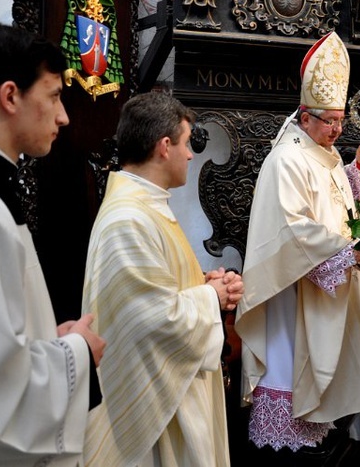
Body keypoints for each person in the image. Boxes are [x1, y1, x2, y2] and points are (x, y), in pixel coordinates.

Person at [236, 31, 360, 461]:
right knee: (291, 363)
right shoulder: (286, 158)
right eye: (329, 122)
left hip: (322, 285)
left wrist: (355, 171)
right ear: (304, 116)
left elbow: (334, 199)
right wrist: (344, 253)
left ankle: (316, 430)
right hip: (292, 286)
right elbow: (292, 229)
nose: (336, 130)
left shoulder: (325, 152)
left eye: (340, 122)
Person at [81, 92, 244, 466]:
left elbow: (156, 288)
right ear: (164, 146)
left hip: (172, 395)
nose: (190, 155)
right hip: (155, 416)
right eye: (186, 144)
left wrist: (204, 285)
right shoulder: (128, 218)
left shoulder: (146, 205)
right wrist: (212, 298)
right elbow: (151, 319)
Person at [0, 22, 105, 466]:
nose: (63, 115)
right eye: (52, 96)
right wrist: (78, 351)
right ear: (10, 97)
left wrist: (45, 342)